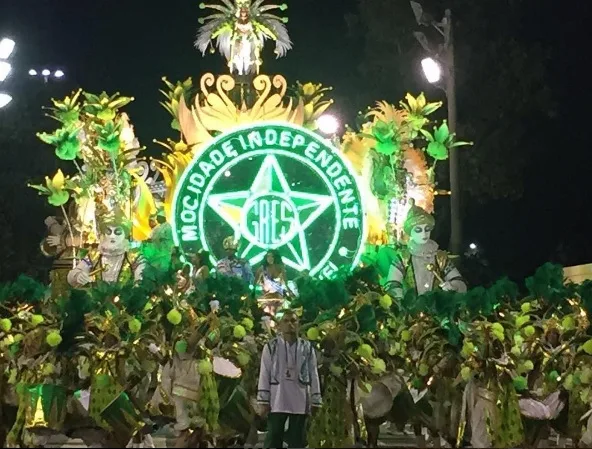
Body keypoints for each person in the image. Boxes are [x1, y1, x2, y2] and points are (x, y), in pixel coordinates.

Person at [257, 310, 322, 448]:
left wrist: (316, 399)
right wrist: (263, 400)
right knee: (274, 437)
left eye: (293, 321)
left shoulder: (307, 347)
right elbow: (264, 373)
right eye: (286, 321)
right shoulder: (271, 347)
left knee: (297, 440)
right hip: (277, 400)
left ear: (298, 324)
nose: (290, 324)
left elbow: (313, 373)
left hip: (300, 400)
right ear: (279, 325)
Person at [383, 199, 466, 299]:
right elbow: (392, 283)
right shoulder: (403, 257)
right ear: (411, 232)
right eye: (418, 230)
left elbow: (459, 281)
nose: (424, 234)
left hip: (436, 308)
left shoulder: (440, 257)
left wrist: (453, 286)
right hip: (412, 310)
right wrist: (401, 299)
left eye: (427, 229)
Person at [67, 216, 144, 287]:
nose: (112, 236)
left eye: (117, 232)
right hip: (99, 299)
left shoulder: (135, 256)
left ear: (125, 234)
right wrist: (78, 276)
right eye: (108, 231)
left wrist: (138, 281)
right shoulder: (94, 255)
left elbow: (142, 275)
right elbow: (74, 274)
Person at [256, 250, 292, 315]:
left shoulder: (281, 268)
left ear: (275, 258)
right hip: (265, 297)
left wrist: (289, 293)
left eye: (272, 256)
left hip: (278, 297)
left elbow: (285, 282)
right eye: (268, 256)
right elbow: (255, 283)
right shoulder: (262, 269)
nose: (269, 258)